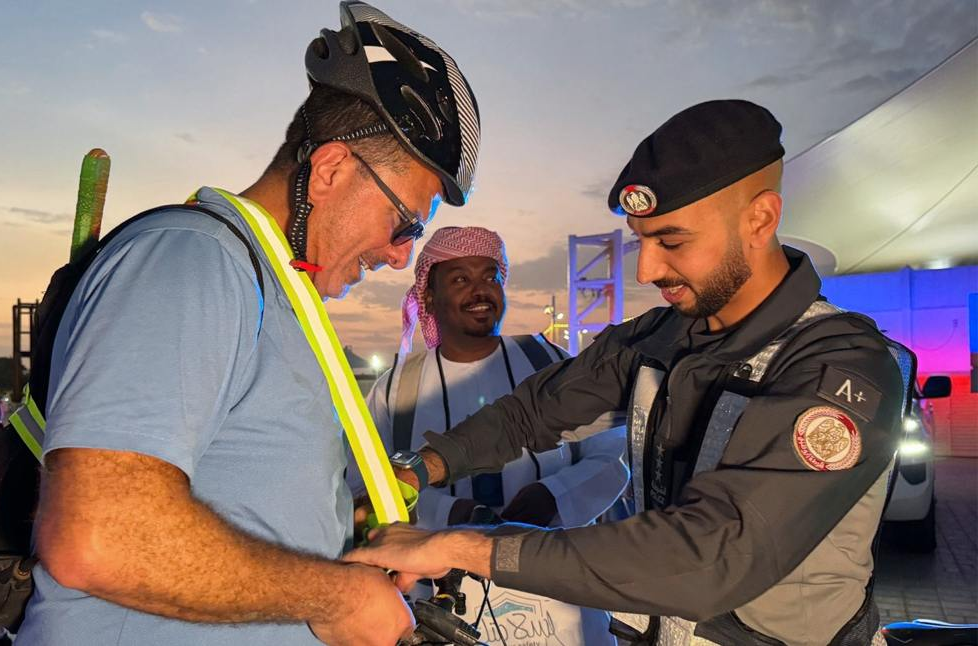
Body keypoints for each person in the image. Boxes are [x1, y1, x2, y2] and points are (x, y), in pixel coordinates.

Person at [347, 100, 911, 646]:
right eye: (641, 240)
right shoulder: (659, 337)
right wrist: (422, 468)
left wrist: (461, 546)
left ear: (759, 219)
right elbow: (531, 414)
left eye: (672, 240)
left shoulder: (837, 366)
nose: (646, 269)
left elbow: (709, 557)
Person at [16, 3, 480, 646]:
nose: (402, 255)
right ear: (331, 170)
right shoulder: (191, 258)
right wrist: (338, 598)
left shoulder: (274, 292)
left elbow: (236, 489)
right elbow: (99, 534)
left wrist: (331, 528)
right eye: (406, 223)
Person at [349, 226, 628, 645]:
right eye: (460, 279)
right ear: (429, 296)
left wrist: (554, 496)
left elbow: (613, 454)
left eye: (490, 277)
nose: (479, 291)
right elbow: (363, 487)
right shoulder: (396, 389)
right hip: (438, 606)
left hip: (557, 596)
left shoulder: (549, 362)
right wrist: (450, 516)